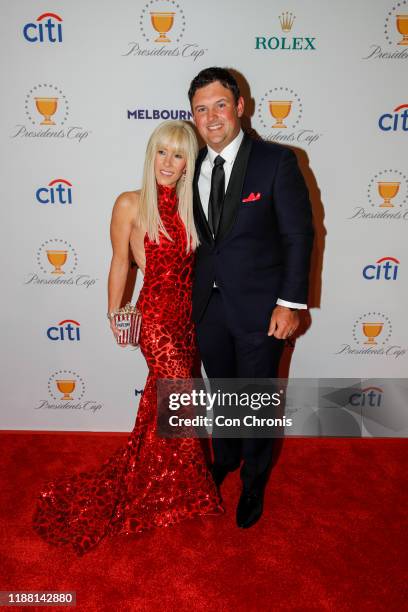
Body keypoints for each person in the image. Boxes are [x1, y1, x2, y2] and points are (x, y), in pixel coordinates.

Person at [32, 120, 223, 556]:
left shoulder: (196, 206)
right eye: (162, 152)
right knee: (180, 393)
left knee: (163, 398)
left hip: (187, 320)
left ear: (189, 162)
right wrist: (115, 313)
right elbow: (121, 263)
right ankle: (176, 488)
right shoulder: (131, 204)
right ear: (150, 154)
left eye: (179, 155)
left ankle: (154, 476)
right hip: (153, 317)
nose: (169, 163)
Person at [188, 67, 314, 529]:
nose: (212, 116)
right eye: (201, 109)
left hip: (263, 308)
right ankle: (226, 456)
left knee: (257, 399)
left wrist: (291, 303)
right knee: (223, 391)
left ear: (240, 106)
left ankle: (255, 481)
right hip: (208, 307)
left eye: (220, 104)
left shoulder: (276, 161)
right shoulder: (190, 164)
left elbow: (299, 236)